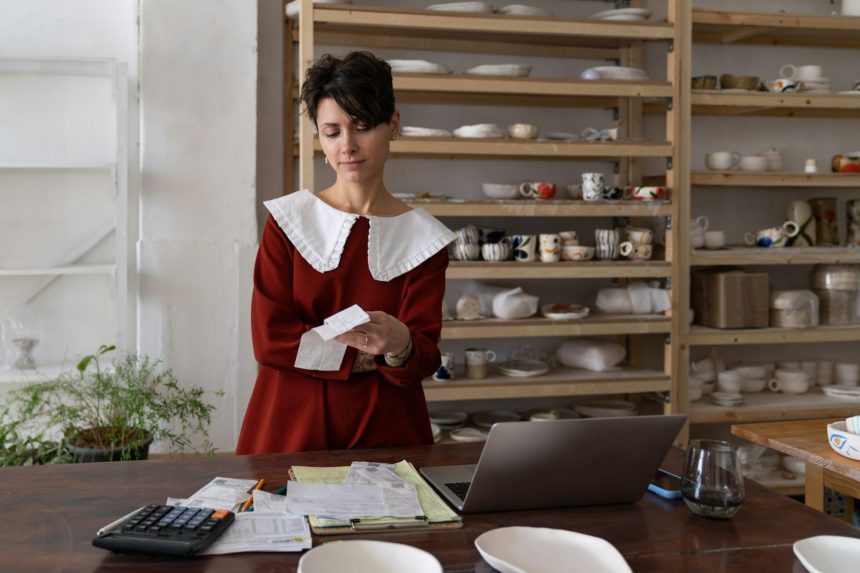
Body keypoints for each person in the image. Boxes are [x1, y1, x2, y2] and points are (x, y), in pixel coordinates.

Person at [236, 51, 455, 454]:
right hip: (290, 429)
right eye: (332, 131)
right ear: (319, 137)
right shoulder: (288, 222)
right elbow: (269, 341)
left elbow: (421, 358)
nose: (348, 146)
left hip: (388, 432)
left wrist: (403, 343)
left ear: (392, 124)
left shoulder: (425, 239)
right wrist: (370, 358)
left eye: (362, 126)